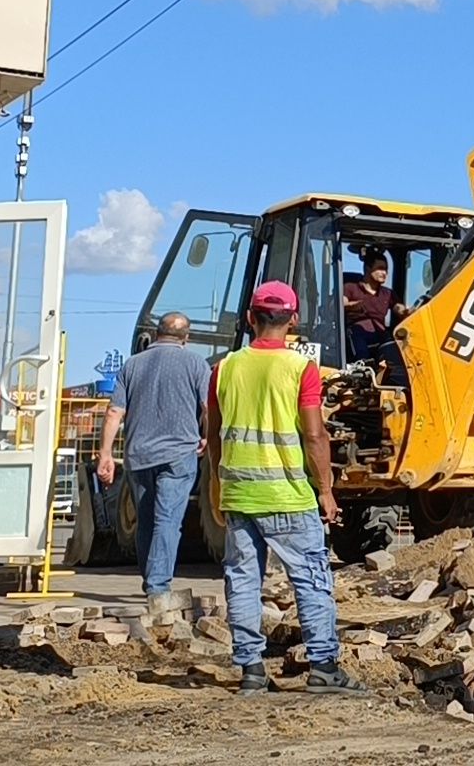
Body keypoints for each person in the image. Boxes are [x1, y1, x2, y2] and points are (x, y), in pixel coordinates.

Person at [206, 281, 364, 695]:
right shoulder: (300, 368)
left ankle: (252, 671)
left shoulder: (224, 368)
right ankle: (324, 667)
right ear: (293, 320)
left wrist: (215, 485)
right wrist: (325, 489)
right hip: (288, 496)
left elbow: (215, 434)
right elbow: (314, 436)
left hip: (239, 493)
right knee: (311, 580)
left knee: (241, 581)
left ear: (249, 319)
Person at [95, 312, 210, 614]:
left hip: (139, 455)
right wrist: (208, 436)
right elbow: (208, 406)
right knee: (168, 520)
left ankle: (152, 583)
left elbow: (113, 413)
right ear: (187, 337)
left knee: (146, 520)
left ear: (156, 333)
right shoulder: (196, 364)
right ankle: (158, 590)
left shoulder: (132, 364)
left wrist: (105, 454)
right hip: (178, 454)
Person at [343, 253, 406, 362]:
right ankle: (364, 368)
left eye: (386, 269)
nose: (384, 273)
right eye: (380, 269)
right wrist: (352, 306)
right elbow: (343, 303)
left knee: (394, 345)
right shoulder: (350, 287)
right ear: (367, 269)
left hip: (380, 332)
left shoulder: (387, 293)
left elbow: (399, 308)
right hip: (356, 332)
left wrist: (408, 311)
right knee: (357, 334)